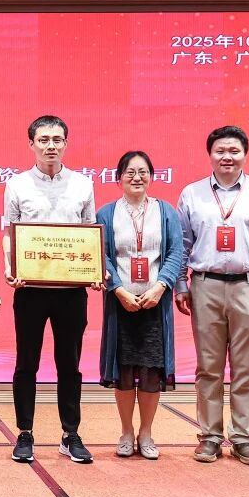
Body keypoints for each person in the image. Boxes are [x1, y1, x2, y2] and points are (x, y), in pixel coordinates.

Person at [175, 126, 249, 466]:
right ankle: (209, 436)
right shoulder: (192, 194)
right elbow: (182, 244)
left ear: (245, 154)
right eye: (220, 151)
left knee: (246, 369)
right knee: (208, 368)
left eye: (234, 151)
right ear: (210, 154)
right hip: (205, 286)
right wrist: (181, 285)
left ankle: (243, 438)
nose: (227, 156)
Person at [1, 115, 100, 465]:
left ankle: (70, 434)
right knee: (26, 362)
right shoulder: (17, 184)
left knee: (69, 365)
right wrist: (11, 269)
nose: (50, 146)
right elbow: (10, 233)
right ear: (31, 144)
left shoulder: (83, 184)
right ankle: (24, 433)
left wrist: (94, 270)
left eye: (57, 139)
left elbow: (90, 233)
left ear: (66, 144)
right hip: (30, 289)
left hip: (71, 292)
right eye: (43, 140)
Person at [97, 150, 187, 460]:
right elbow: (102, 255)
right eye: (130, 172)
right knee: (123, 371)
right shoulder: (106, 213)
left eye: (143, 172)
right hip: (120, 304)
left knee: (151, 371)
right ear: (118, 177)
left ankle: (146, 432)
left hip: (154, 305)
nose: (137, 177)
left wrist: (160, 287)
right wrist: (119, 291)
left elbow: (176, 253)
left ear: (151, 176)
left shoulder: (166, 211)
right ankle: (126, 432)